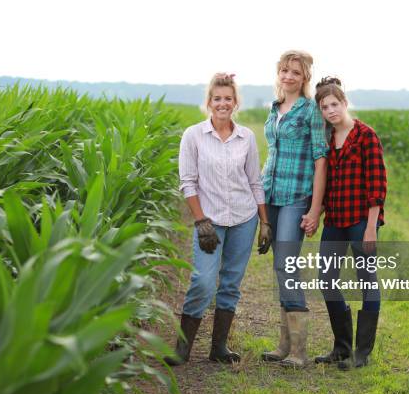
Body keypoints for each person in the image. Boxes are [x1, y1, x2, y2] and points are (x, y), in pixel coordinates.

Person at [165, 73, 272, 366]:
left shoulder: (246, 137)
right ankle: (182, 348)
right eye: (217, 98)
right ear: (209, 102)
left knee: (231, 283)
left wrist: (265, 222)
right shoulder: (193, 136)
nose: (222, 103)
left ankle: (218, 348)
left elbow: (254, 182)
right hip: (209, 220)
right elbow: (188, 182)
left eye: (228, 98)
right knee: (203, 280)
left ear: (235, 102)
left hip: (243, 218)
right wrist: (201, 221)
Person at [311, 77, 387, 370]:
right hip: (336, 219)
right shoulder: (328, 139)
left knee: (366, 279)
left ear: (344, 103)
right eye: (324, 106)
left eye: (334, 104)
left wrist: (370, 227)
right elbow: (327, 183)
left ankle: (362, 353)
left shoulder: (366, 135)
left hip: (361, 221)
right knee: (327, 279)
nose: (330, 110)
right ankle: (341, 348)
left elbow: (377, 184)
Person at [260, 50, 329, 368]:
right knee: (279, 267)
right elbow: (272, 153)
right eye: (284, 70)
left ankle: (299, 352)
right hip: (270, 195)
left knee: (287, 265)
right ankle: (283, 345)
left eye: (296, 73)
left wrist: (315, 210)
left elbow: (320, 159)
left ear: (305, 78)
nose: (288, 76)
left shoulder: (310, 110)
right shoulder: (274, 108)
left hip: (295, 197)